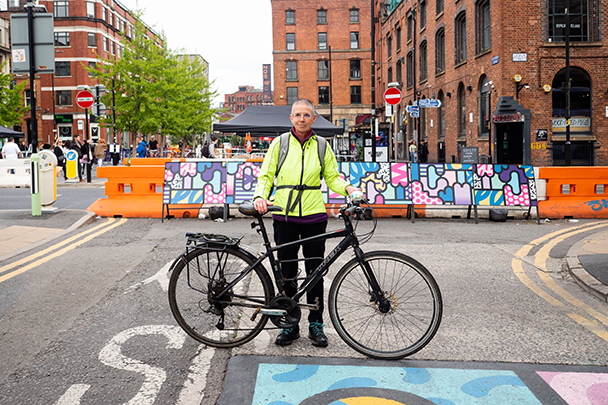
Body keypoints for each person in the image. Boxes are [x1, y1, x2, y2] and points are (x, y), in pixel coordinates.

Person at [253, 98, 360, 348]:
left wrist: (349, 188)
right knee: (287, 273)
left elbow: (332, 177)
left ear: (314, 118)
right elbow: (266, 176)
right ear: (291, 118)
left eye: (306, 115)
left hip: (314, 216)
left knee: (315, 273)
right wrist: (260, 197)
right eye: (297, 115)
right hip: (284, 215)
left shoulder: (322, 146)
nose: (301, 119)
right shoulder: (279, 144)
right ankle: (289, 324)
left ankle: (316, 323)